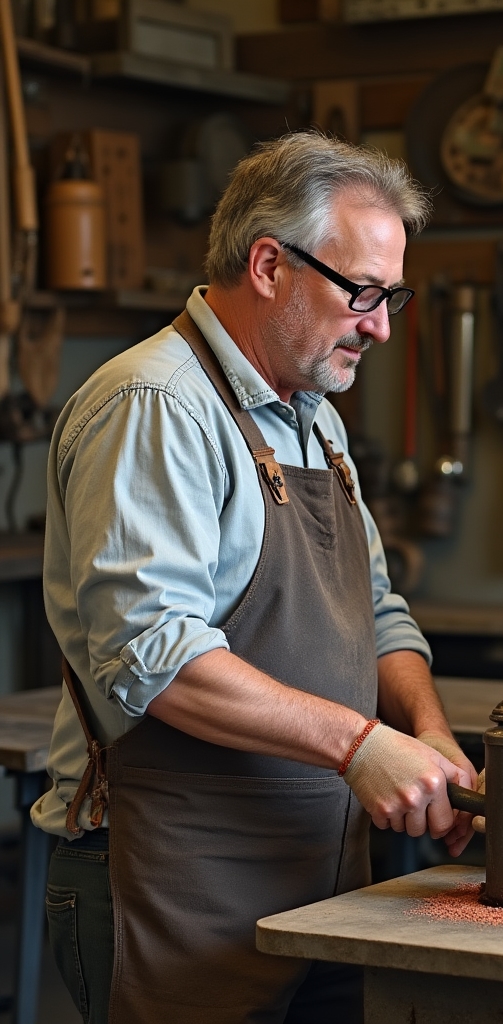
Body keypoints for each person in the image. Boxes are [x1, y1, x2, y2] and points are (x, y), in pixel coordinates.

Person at [32, 132, 476, 1024]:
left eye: (391, 297)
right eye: (362, 292)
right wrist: (361, 746)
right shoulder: (155, 406)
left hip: (322, 875)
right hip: (177, 881)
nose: (381, 326)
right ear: (270, 265)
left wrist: (430, 736)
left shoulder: (314, 418)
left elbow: (376, 611)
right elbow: (153, 655)